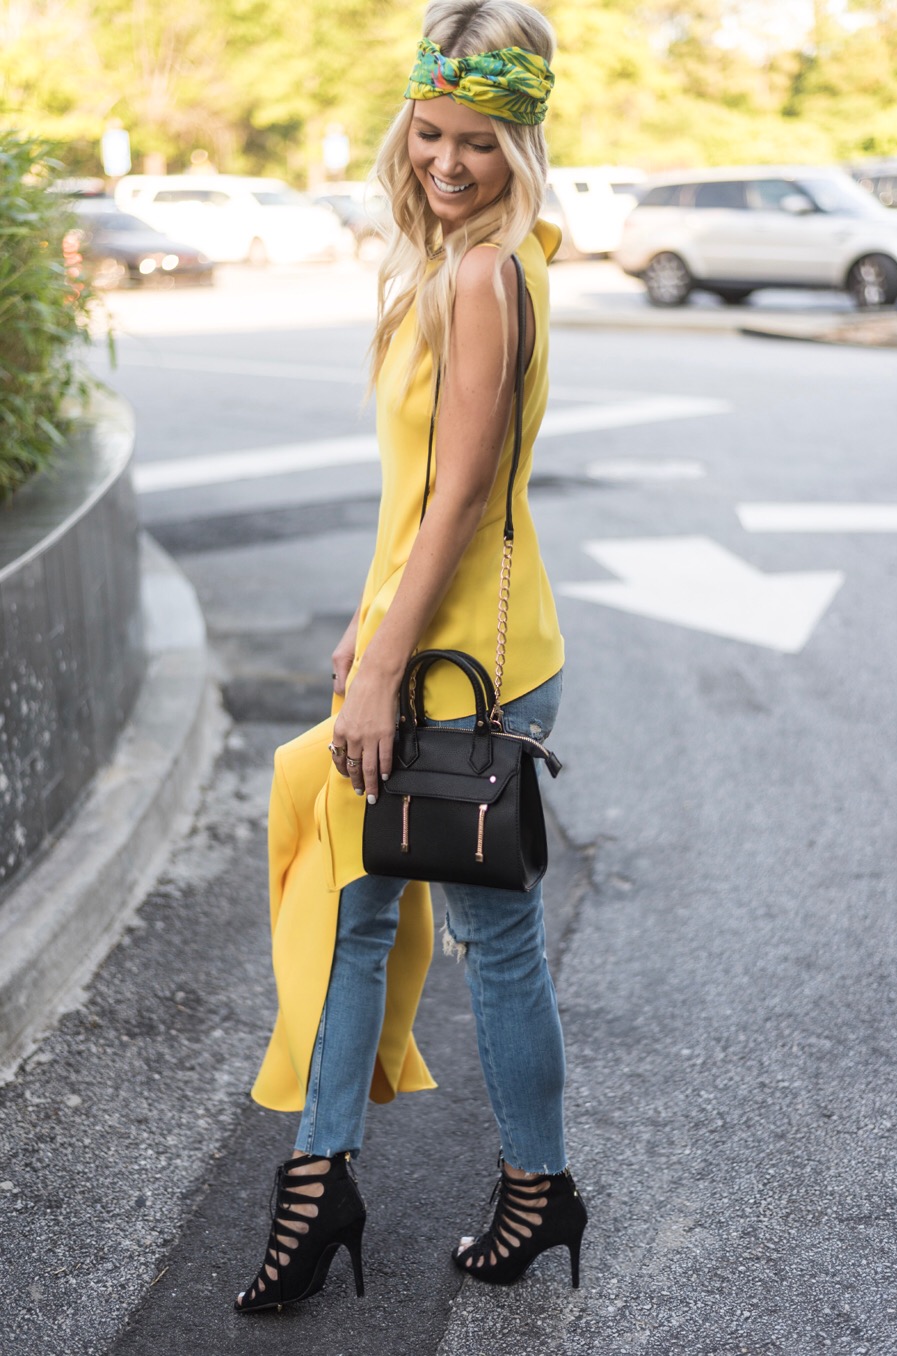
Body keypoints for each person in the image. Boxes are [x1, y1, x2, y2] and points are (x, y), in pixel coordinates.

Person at [235, 0, 587, 1314]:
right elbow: (417, 499)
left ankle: (494, 1187)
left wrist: (385, 665)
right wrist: (362, 620)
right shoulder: (483, 260)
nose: (447, 162)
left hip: (455, 668)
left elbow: (459, 493)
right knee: (357, 906)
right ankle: (327, 1185)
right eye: (430, 132)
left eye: (480, 141)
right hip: (429, 638)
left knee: (478, 939)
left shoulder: (487, 275)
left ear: (523, 141)